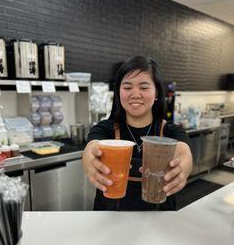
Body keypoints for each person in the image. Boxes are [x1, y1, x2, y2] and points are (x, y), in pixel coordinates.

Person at [82, 56, 193, 211]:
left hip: (159, 218)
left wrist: (184, 166)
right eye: (127, 87)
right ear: (118, 92)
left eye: (144, 87)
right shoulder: (106, 129)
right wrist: (90, 161)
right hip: (111, 218)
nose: (135, 94)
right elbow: (91, 147)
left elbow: (183, 151)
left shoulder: (170, 131)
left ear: (156, 93)